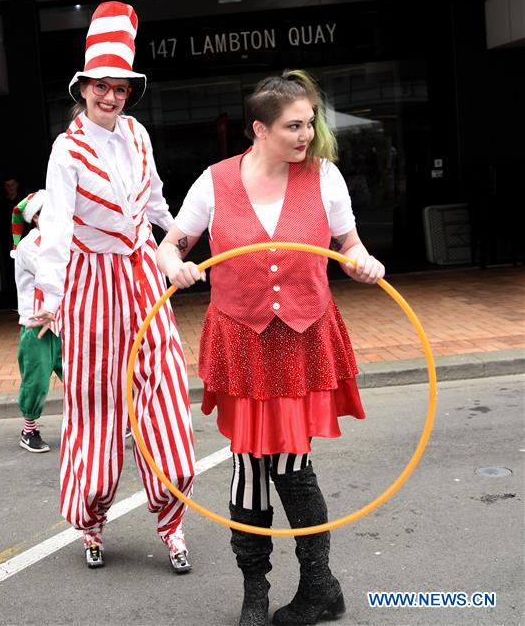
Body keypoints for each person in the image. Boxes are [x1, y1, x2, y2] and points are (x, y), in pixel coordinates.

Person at [156, 70, 385, 626]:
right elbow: (170, 245)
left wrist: (364, 263)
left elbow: (350, 245)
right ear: (260, 129)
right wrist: (175, 267)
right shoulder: (214, 181)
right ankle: (264, 592)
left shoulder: (324, 176)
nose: (306, 135)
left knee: (285, 462)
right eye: (293, 127)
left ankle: (313, 586)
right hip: (241, 340)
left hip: (302, 339)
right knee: (251, 465)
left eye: (309, 124)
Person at [30, 1, 196, 573]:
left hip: (142, 275)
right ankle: (92, 521)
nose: (110, 96)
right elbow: (55, 228)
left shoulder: (138, 135)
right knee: (96, 407)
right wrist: (49, 299)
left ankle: (172, 522)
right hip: (91, 283)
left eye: (120, 87)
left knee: (165, 396)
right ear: (82, 89)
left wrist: (180, 243)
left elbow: (156, 205)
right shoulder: (66, 149)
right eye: (100, 86)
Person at [10, 190, 60, 453]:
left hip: (63, 322)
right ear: (36, 218)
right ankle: (29, 430)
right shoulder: (28, 247)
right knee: (36, 380)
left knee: (83, 375)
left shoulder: (62, 239)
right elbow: (51, 277)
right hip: (36, 325)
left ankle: (106, 421)